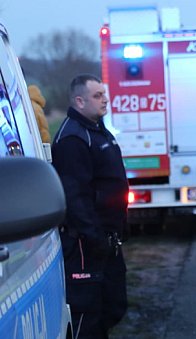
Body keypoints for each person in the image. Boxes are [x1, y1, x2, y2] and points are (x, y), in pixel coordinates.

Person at [52, 74, 128, 339]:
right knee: (87, 316)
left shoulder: (98, 130)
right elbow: (75, 197)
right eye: (97, 95)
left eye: (104, 93)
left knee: (112, 307)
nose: (105, 99)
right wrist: (95, 239)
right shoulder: (73, 138)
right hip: (86, 245)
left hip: (108, 240)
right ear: (79, 101)